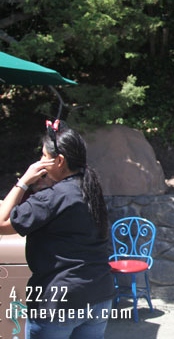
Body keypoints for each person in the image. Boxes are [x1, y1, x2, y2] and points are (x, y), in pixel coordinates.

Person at [0, 120, 115, 339]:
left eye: (43, 156)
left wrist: (23, 181)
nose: (39, 162)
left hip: (59, 301)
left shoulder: (53, 198)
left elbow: (2, 223)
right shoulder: (90, 188)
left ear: (59, 160)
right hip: (99, 293)